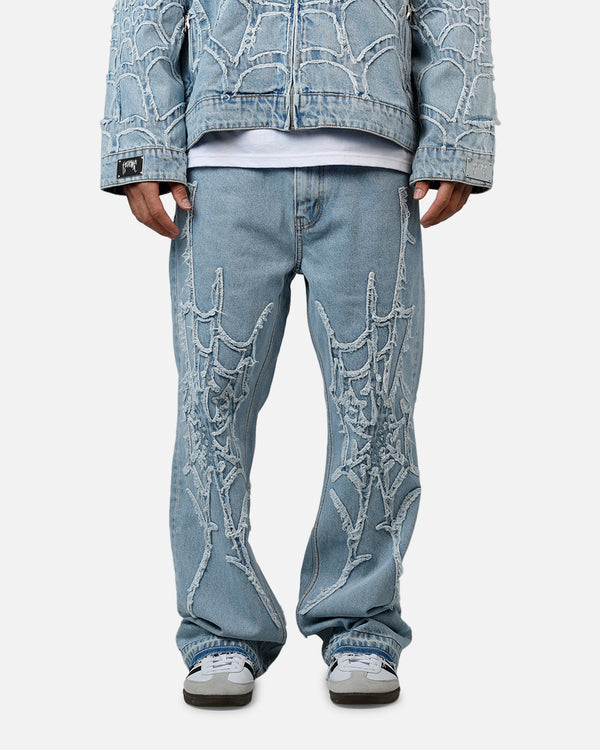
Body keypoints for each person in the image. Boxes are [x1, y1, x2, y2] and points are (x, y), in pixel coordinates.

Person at [100, 0, 498, 707]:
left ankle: (361, 624)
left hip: (373, 164)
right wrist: (142, 143)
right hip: (218, 172)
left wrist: (457, 137)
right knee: (210, 406)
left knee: (375, 406)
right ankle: (219, 629)